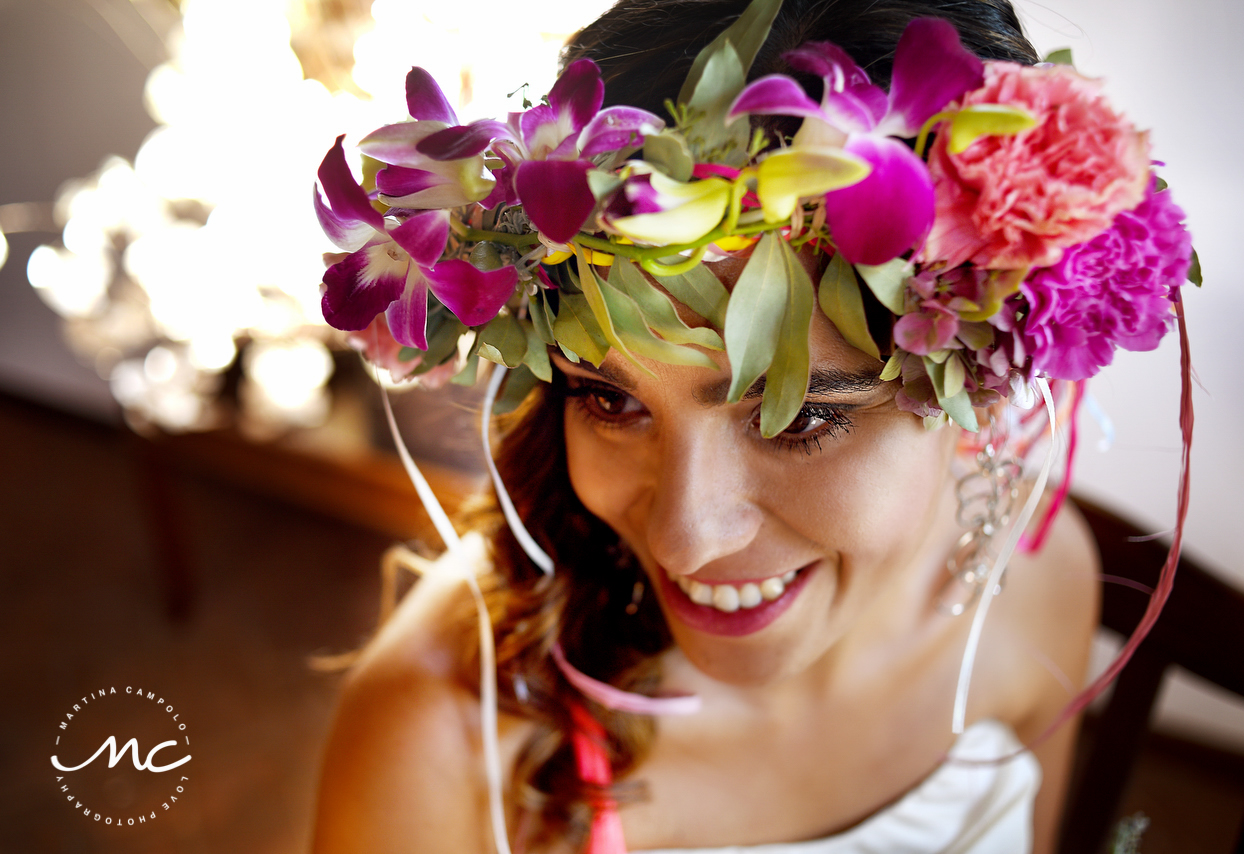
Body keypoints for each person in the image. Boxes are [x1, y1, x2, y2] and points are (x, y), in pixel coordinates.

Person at [308, 0, 1195, 851]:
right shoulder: (438, 740)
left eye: (801, 414)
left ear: (985, 389)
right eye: (610, 400)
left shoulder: (1042, 585)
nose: (685, 540)